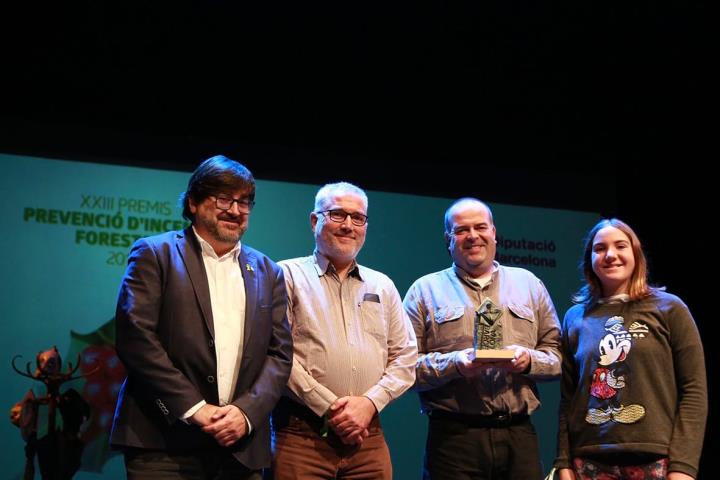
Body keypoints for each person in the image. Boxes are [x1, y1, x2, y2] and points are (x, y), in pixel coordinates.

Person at [110, 155, 293, 479]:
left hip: (240, 449)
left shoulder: (268, 270)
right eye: (224, 198)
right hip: (162, 442)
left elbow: (280, 355)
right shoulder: (155, 253)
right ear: (193, 202)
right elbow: (136, 337)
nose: (235, 210)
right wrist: (195, 409)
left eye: (244, 202)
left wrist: (245, 413)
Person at [403, 197, 561, 480]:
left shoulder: (530, 284)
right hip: (453, 440)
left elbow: (558, 358)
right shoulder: (424, 291)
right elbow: (402, 369)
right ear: (448, 239)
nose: (473, 236)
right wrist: (455, 364)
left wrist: (528, 360)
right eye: (462, 230)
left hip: (519, 436)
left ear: (494, 233)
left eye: (481, 227)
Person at [272, 181, 417, 479]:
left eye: (358, 217)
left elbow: (405, 357)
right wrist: (331, 409)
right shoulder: (285, 275)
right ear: (315, 221)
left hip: (368, 438)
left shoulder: (383, 285)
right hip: (302, 438)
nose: (349, 225)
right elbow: (276, 354)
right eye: (337, 215)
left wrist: (369, 404)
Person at [554, 218, 707, 480]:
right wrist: (564, 461)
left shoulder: (669, 308)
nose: (610, 255)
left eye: (620, 246)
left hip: (655, 459)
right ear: (590, 258)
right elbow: (569, 399)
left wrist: (683, 466)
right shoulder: (575, 317)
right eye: (600, 248)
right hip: (590, 461)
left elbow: (694, 391)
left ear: (635, 254)